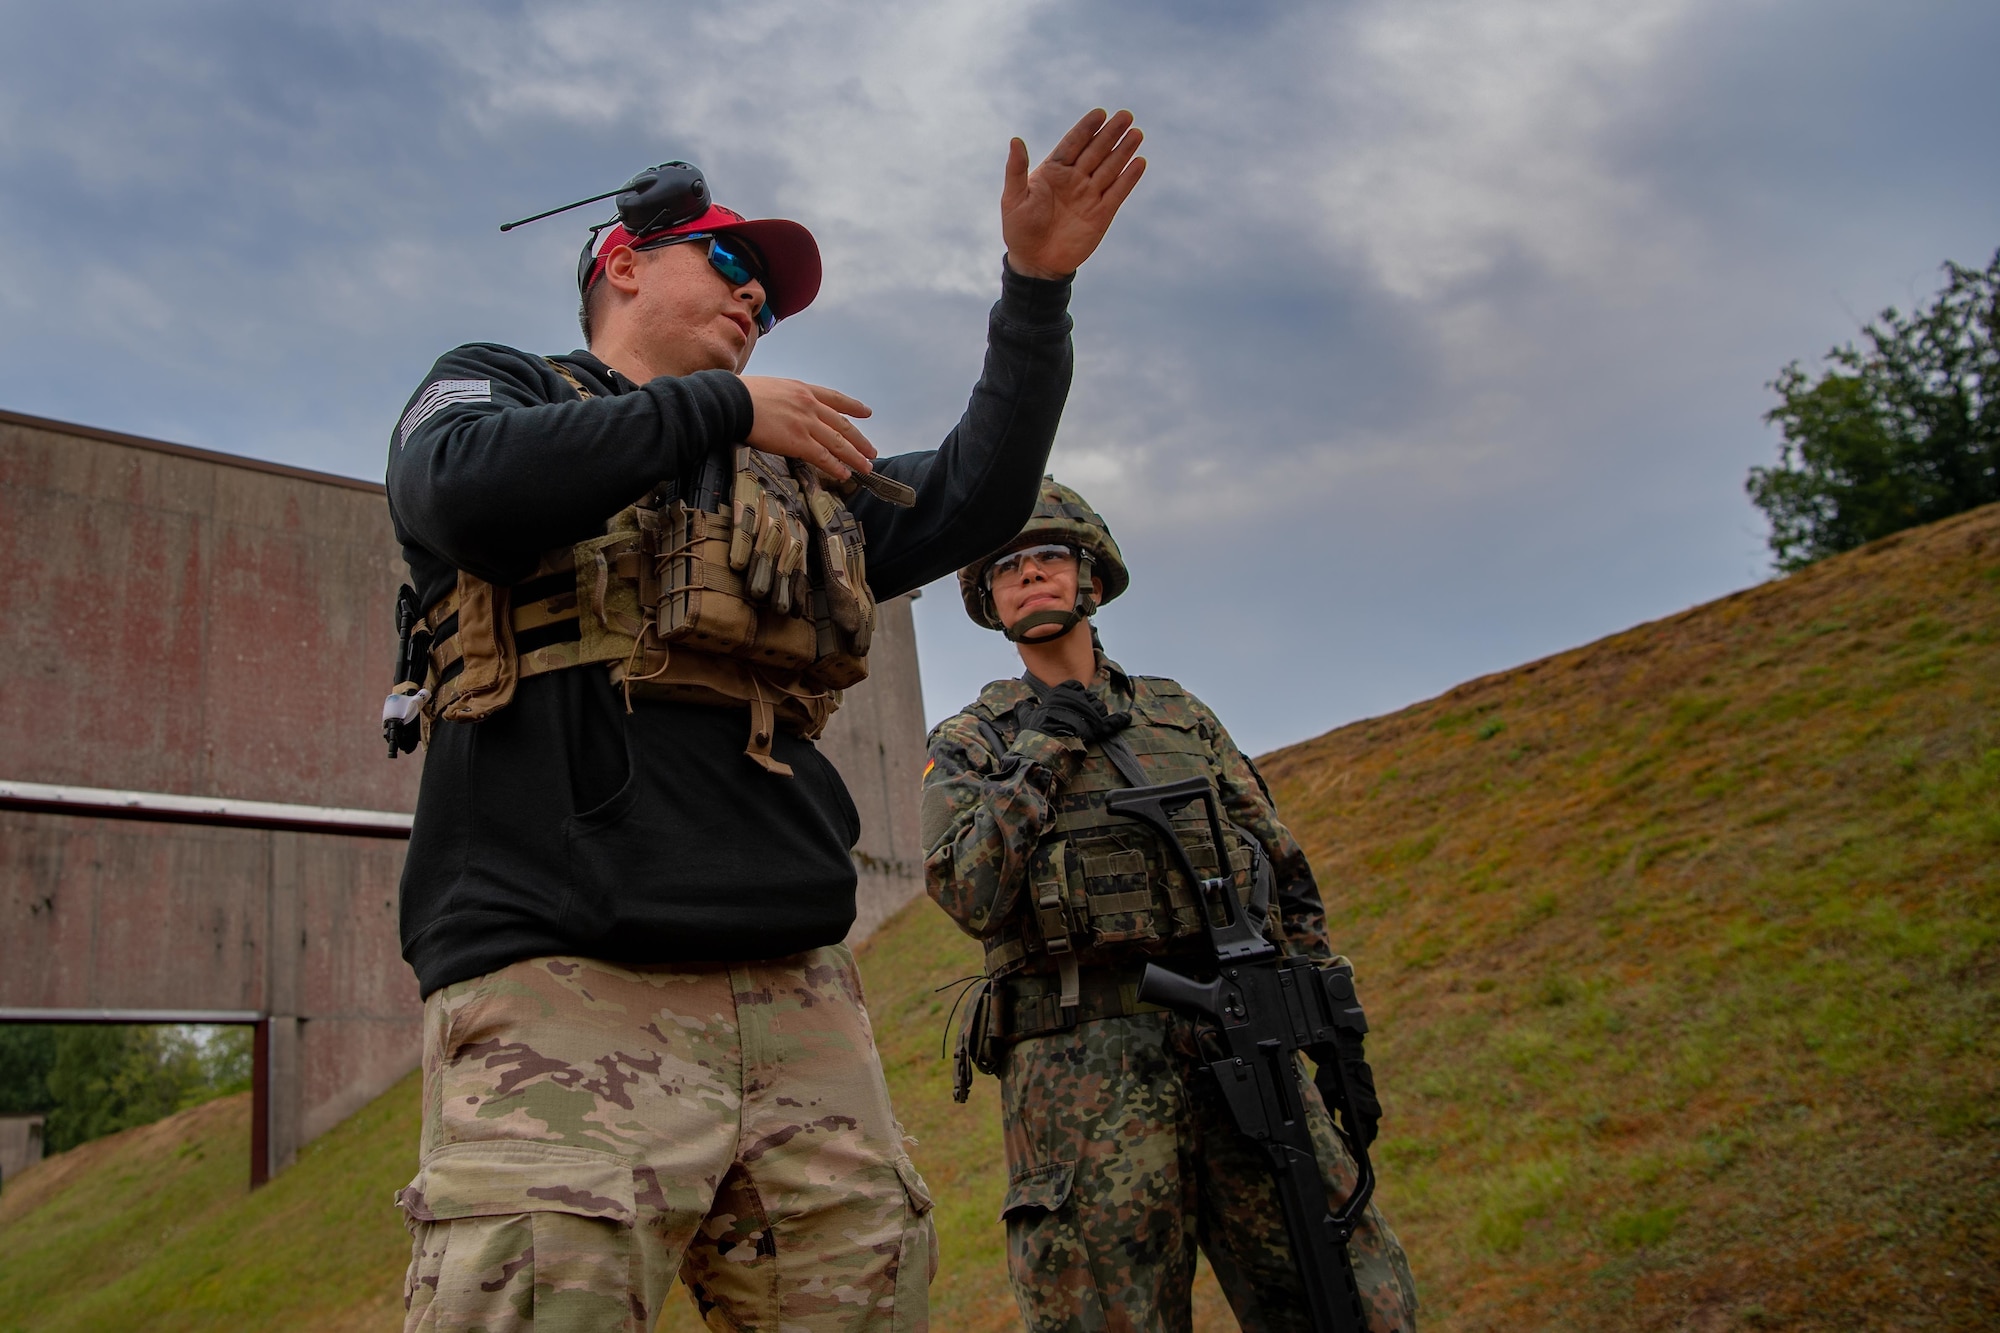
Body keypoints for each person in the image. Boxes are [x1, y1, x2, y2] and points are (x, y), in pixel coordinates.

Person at [385, 111, 1146, 1332]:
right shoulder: (502, 387)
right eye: (731, 267)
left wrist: (1035, 292)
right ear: (622, 263)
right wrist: (724, 413)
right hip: (561, 986)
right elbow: (455, 488)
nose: (756, 306)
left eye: (773, 305)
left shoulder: (793, 480)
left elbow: (975, 491)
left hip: (796, 996)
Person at [920, 479, 1421, 1332]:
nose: (1029, 574)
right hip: (1081, 1080)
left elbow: (1282, 870)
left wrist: (1336, 1028)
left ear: (1092, 581)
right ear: (988, 600)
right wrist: (1048, 745)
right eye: (1007, 566)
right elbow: (969, 888)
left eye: (1048, 556)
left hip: (1241, 1047)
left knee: (1348, 1296)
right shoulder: (974, 741)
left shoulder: (1178, 715)